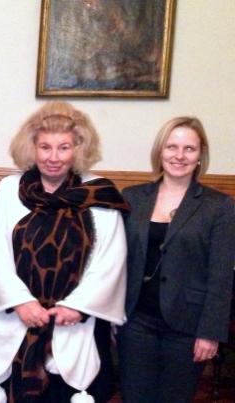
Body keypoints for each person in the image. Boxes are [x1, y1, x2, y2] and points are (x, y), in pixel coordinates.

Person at [0, 101, 130, 403]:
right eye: (45, 147)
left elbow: (111, 259)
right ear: (32, 147)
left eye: (64, 148)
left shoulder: (99, 194)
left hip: (75, 322)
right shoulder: (10, 190)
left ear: (79, 149)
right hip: (17, 319)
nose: (53, 157)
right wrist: (20, 302)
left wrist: (77, 307)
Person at [117, 117, 235, 402]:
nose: (179, 156)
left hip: (187, 328)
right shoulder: (132, 197)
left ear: (200, 155)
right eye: (172, 147)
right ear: (160, 151)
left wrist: (210, 333)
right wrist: (111, 316)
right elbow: (118, 264)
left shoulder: (218, 206)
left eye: (189, 149)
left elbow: (221, 276)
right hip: (135, 322)